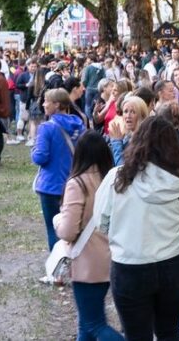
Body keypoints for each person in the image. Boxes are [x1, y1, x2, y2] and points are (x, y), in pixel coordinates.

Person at [94, 115, 179, 341]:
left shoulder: (116, 178)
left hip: (129, 265)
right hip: (174, 264)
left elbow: (100, 221)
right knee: (169, 330)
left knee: (136, 334)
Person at [53, 131, 123, 341]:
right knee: (86, 323)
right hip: (112, 256)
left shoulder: (78, 183)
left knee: (94, 324)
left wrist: (57, 222)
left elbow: (68, 231)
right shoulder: (114, 180)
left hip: (87, 262)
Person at [33, 88, 87, 250]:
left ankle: (57, 271)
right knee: (73, 227)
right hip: (74, 182)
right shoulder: (80, 126)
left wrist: (34, 151)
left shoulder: (47, 128)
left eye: (46, 101)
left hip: (51, 185)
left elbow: (40, 157)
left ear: (56, 105)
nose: (43, 104)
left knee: (53, 228)